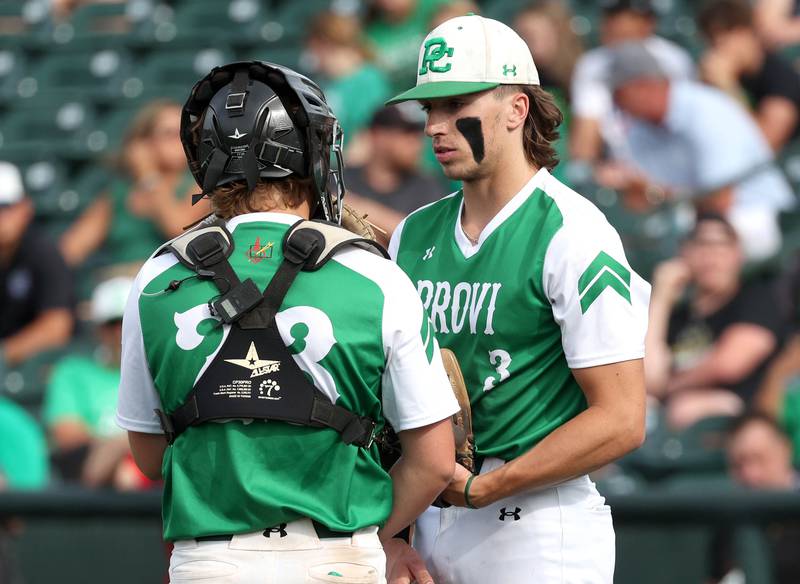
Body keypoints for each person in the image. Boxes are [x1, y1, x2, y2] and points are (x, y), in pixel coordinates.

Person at [116, 60, 458, 584]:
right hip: (338, 557)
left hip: (209, 561)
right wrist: (376, 531)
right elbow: (435, 462)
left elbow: (148, 454)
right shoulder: (375, 275)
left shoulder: (157, 277)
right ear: (313, 157)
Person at [386, 14, 649, 584]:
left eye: (456, 105)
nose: (435, 125)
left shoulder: (575, 231)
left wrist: (487, 488)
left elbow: (622, 419)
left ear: (517, 108)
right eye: (428, 109)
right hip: (430, 512)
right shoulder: (412, 233)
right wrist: (394, 537)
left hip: (534, 521)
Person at [606, 41, 795, 262]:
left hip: (755, 213)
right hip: (697, 219)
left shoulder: (704, 108)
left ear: (644, 86)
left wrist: (657, 193)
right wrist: (641, 190)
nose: (616, 104)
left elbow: (721, 199)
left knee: (697, 246)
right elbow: (644, 199)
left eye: (619, 94)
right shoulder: (638, 130)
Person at [645, 214, 786, 429]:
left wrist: (669, 387)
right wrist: (661, 297)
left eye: (722, 246)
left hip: (744, 416)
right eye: (702, 245)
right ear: (685, 254)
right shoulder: (678, 316)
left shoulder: (756, 297)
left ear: (738, 254)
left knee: (686, 408)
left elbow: (729, 364)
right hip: (674, 409)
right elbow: (649, 378)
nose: (712, 256)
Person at [60, 100, 210, 269]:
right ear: (144, 143)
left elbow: (178, 228)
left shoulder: (199, 186)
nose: (181, 140)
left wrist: (149, 176)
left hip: (171, 284)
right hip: (120, 285)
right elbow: (72, 248)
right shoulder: (119, 194)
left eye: (186, 132)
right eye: (169, 134)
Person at [43, 276, 146, 489]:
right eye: (112, 323)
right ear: (99, 329)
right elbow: (69, 438)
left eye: (127, 321)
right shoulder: (72, 372)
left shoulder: (160, 372)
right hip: (97, 475)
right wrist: (125, 444)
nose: (120, 331)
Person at [568, 0, 694, 169]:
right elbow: (586, 136)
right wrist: (587, 171)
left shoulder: (674, 60)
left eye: (632, 17)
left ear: (649, 22)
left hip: (669, 161)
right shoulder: (593, 64)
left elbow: (683, 127)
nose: (619, 24)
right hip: (616, 164)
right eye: (613, 16)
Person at [698, 0, 800, 153]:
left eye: (723, 43)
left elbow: (767, 142)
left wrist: (728, 88)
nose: (720, 53)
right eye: (713, 45)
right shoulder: (721, 78)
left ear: (744, 33)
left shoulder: (781, 77)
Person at [710, 412, 800, 584]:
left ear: (786, 450)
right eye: (738, 465)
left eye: (760, 459)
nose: (751, 474)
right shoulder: (728, 523)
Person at [0, 161, 73, 368]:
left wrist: (5, 353)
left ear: (25, 207)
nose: (2, 216)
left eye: (7, 206)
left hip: (42, 366)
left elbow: (56, 327)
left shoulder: (43, 252)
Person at [344, 104, 443, 237]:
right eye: (407, 133)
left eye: (418, 134)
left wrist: (355, 206)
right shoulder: (342, 178)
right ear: (378, 135)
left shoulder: (427, 187)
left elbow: (420, 237)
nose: (417, 143)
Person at [306, 11, 392, 161]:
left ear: (324, 43)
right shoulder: (330, 82)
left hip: (344, 177)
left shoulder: (367, 80)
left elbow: (365, 146)